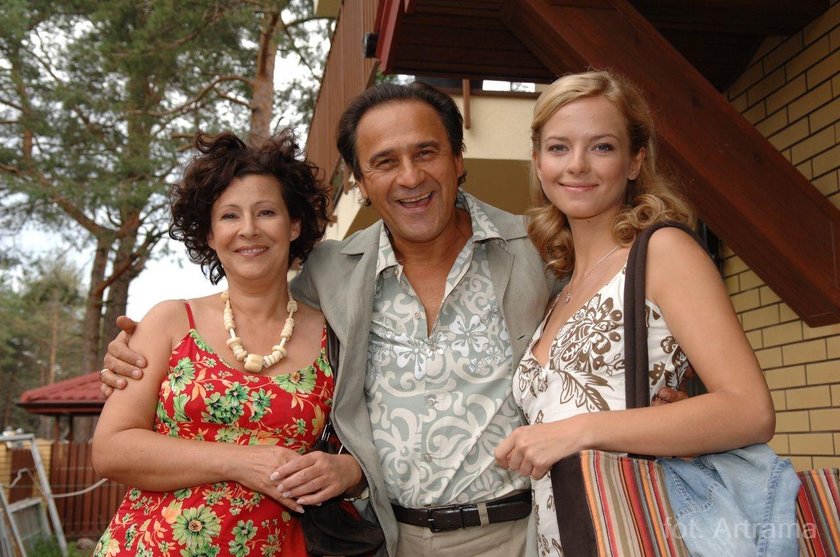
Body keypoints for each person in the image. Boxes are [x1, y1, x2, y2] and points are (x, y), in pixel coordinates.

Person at [100, 81, 687, 557]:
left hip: (519, 535)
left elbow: (624, 319)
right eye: (384, 162)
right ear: (361, 181)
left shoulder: (539, 248)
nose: (409, 177)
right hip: (390, 538)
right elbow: (255, 315)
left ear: (458, 160)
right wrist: (132, 355)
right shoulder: (329, 274)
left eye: (425, 153)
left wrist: (679, 394)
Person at [494, 70, 776, 555]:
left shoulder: (663, 252)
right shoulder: (561, 286)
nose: (577, 165)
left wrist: (579, 430)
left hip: (639, 535)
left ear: (634, 161)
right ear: (538, 163)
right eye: (559, 148)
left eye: (602, 147)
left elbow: (750, 411)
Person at [92, 130, 366, 556]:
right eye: (229, 216)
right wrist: (239, 461)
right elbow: (110, 450)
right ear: (209, 233)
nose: (249, 230)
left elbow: (371, 445)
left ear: (294, 224)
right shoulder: (169, 321)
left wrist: (350, 471)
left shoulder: (336, 335)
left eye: (266, 212)